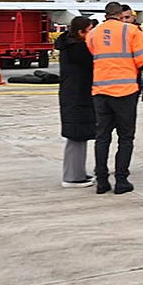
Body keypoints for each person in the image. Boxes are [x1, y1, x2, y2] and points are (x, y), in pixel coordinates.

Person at [86, 2, 143, 194]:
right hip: (125, 90)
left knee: (102, 137)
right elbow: (142, 58)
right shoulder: (131, 31)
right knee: (125, 137)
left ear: (106, 14)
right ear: (120, 14)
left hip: (100, 90)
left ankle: (101, 180)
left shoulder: (94, 33)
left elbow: (93, 52)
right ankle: (121, 180)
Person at [57, 16, 96, 188]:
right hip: (77, 94)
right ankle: (72, 177)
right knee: (76, 135)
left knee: (78, 135)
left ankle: (76, 172)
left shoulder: (69, 45)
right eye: (89, 30)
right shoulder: (78, 49)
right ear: (81, 32)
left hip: (73, 93)